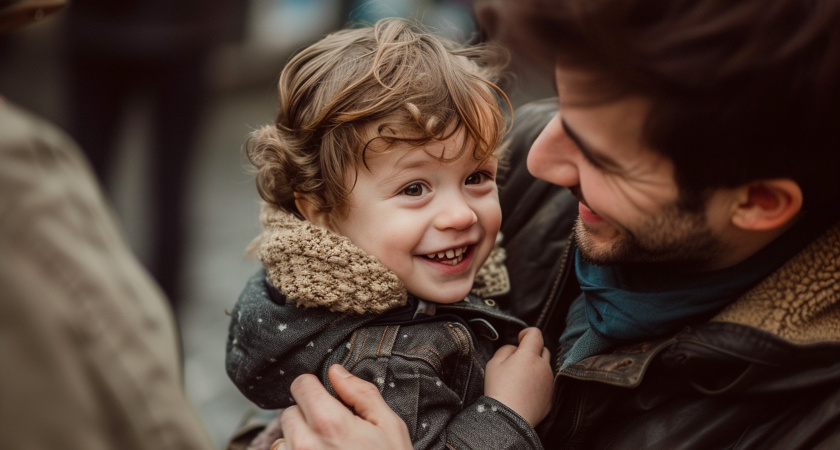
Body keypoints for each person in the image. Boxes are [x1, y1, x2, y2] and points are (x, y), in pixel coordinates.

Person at [261, 0, 840, 448]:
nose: (538, 159)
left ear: (759, 202)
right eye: (561, 104)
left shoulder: (809, 423)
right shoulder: (496, 168)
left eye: (602, 157)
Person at [224, 17, 554, 449]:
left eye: (477, 176)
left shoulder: (302, 300)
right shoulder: (392, 363)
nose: (459, 215)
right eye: (414, 188)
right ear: (320, 209)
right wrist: (508, 411)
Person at [0, 1, 215, 448]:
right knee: (155, 194)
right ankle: (163, 350)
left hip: (115, 29)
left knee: (97, 184)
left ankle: (154, 346)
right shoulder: (15, 176)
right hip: (174, 29)